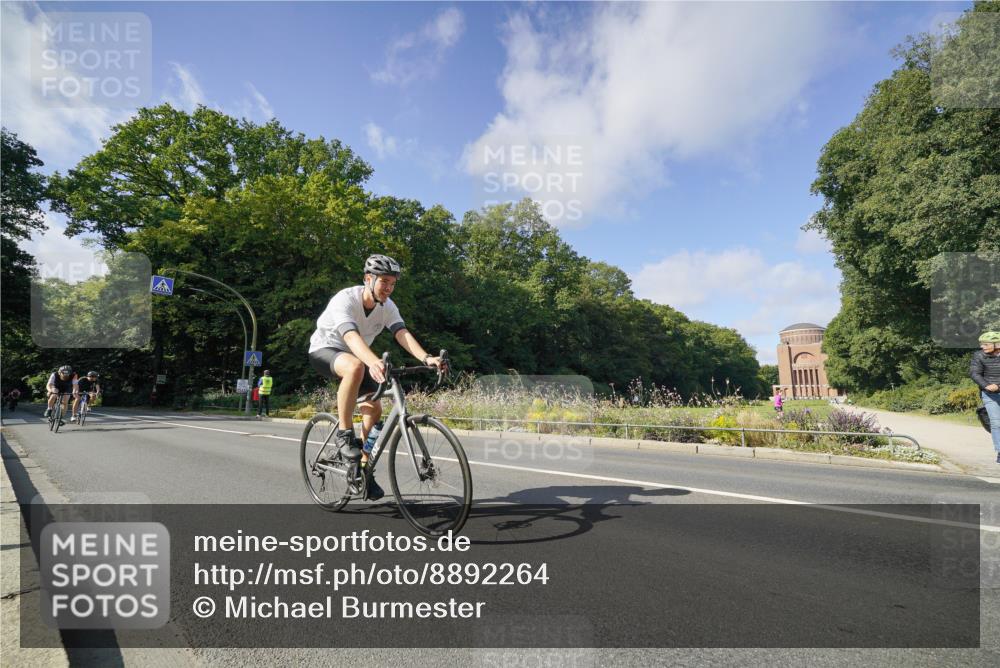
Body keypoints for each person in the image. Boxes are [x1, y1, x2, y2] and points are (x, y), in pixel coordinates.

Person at [308, 254, 446, 500]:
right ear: (368, 279)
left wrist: (427, 358)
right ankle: (344, 433)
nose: (389, 288)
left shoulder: (388, 306)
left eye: (393, 284)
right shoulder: (345, 299)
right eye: (384, 282)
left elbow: (401, 333)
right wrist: (373, 362)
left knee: (373, 410)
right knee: (355, 366)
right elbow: (350, 337)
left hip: (358, 358)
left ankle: (360, 468)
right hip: (325, 350)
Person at [971, 331, 1000, 464]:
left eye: (986, 344)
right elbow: (975, 373)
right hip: (990, 394)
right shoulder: (979, 356)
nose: (983, 347)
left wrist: (998, 385)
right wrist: (987, 386)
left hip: (997, 388)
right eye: (982, 344)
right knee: (996, 423)